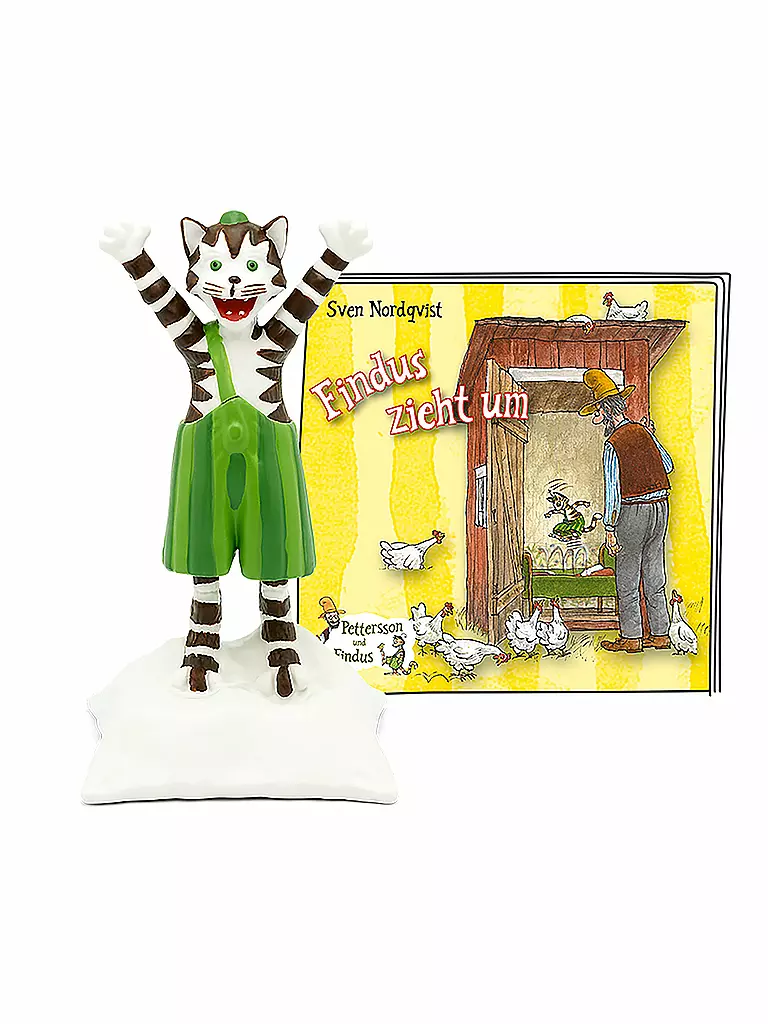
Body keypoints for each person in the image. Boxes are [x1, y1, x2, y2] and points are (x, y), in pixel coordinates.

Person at [579, 369, 674, 653]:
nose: (596, 418)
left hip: (632, 512)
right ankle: (661, 634)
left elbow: (613, 491)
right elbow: (668, 465)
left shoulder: (613, 444)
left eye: (597, 412)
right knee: (654, 571)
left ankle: (631, 638)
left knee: (627, 576)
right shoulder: (644, 432)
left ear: (607, 411)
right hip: (660, 508)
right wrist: (651, 439)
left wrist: (609, 528)